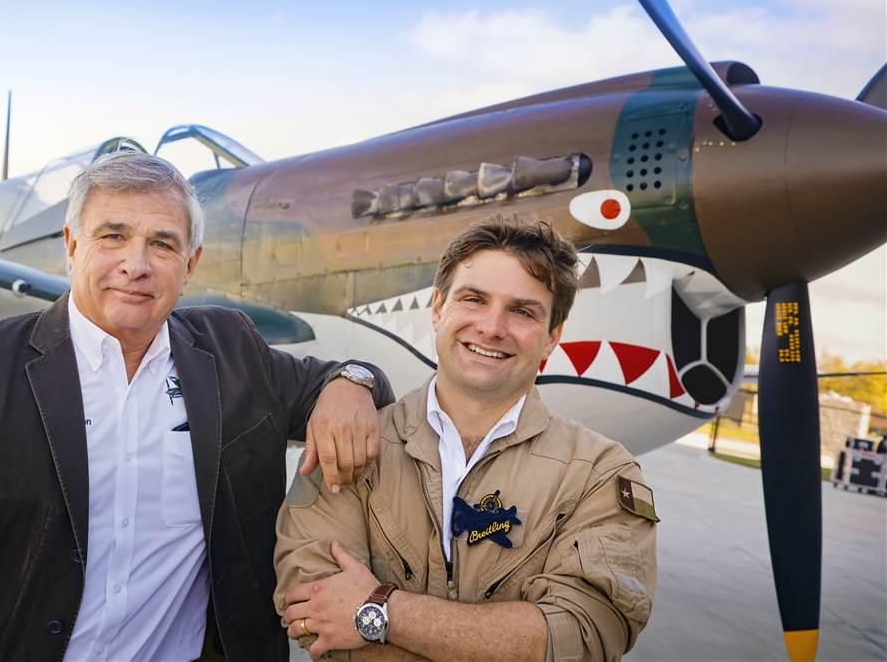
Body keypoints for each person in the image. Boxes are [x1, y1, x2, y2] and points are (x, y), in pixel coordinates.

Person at [0, 151, 394, 662]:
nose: (136, 264)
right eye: (113, 236)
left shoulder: (231, 351)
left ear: (190, 263)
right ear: (72, 245)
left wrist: (354, 380)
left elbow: (339, 379)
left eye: (162, 244)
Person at [275, 217, 658, 662]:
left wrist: (378, 611)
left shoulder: (601, 473)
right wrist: (504, 638)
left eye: (522, 311)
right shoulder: (352, 441)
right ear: (438, 309)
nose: (492, 327)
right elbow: (310, 608)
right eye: (473, 299)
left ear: (553, 337)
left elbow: (583, 635)